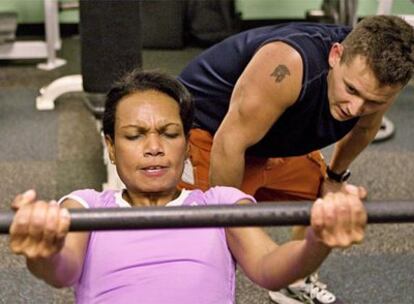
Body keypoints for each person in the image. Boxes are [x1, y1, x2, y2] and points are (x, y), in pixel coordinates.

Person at [9, 70, 367, 304]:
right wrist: (43, 249)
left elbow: (269, 267)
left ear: (185, 143)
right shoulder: (86, 207)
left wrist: (317, 240)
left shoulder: (220, 203)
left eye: (169, 134)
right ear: (111, 147)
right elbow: (60, 271)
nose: (154, 147)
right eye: (134, 136)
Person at [177, 15, 414, 304]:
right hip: (210, 131)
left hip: (272, 136)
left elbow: (364, 129)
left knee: (323, 203)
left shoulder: (379, 80)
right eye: (351, 90)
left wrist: (335, 178)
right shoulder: (287, 63)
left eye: (373, 102)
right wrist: (228, 226)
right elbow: (230, 143)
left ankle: (293, 280)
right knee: (204, 233)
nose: (356, 108)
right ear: (335, 54)